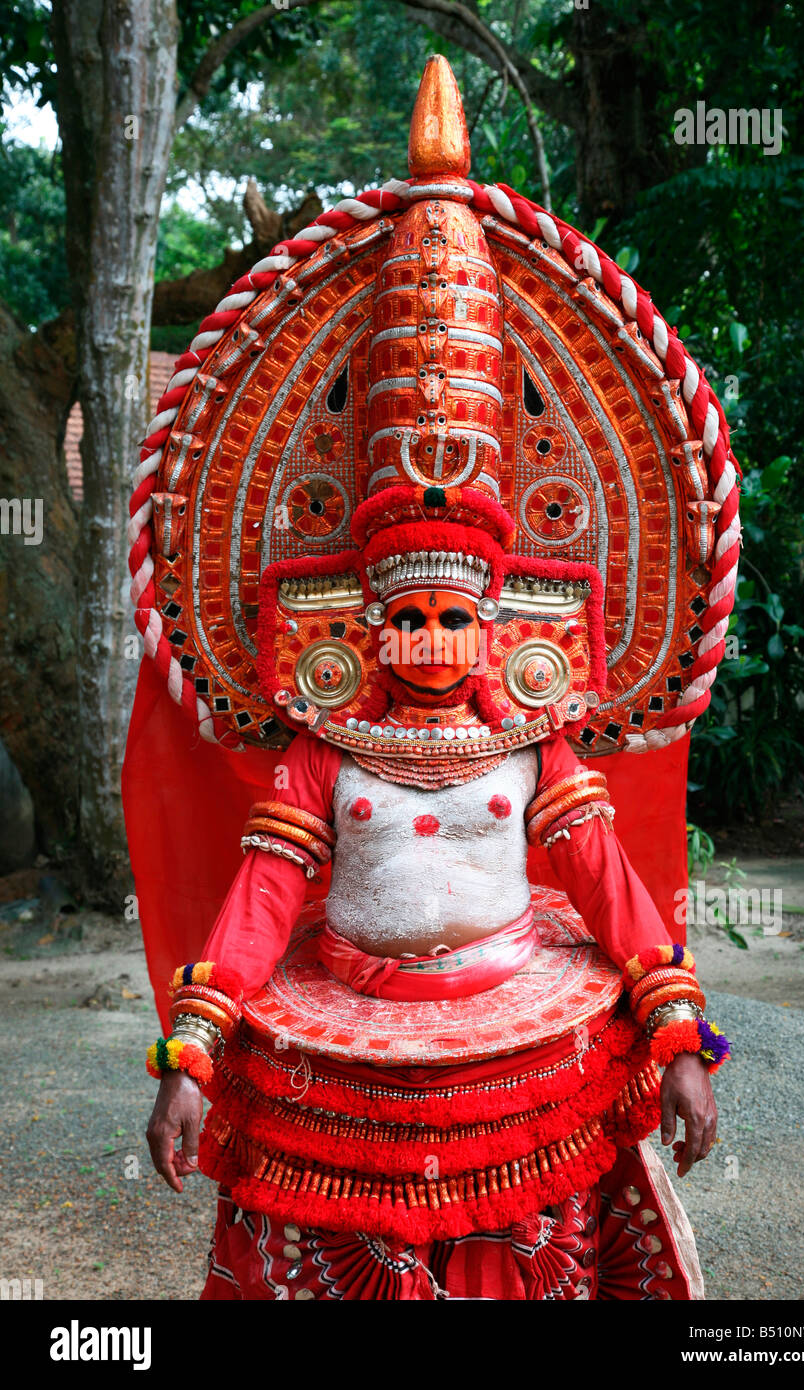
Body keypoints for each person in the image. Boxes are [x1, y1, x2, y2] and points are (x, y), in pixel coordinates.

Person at [131, 55, 735, 1301]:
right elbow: (255, 906)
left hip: (515, 1026)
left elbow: (610, 892)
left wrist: (681, 1039)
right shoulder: (323, 747)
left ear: (507, 615)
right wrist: (190, 1052)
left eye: (452, 612)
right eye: (401, 612)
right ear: (349, 614)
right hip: (346, 1040)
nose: (427, 640)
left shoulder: (529, 745)